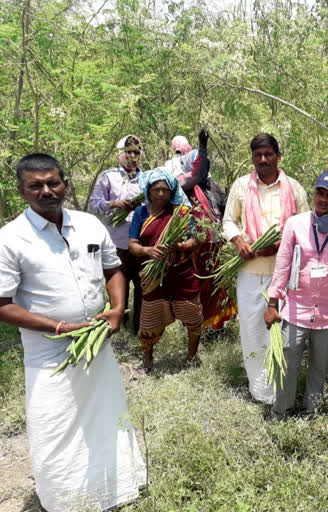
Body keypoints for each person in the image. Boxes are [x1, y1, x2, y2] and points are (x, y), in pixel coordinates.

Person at [0, 153, 146, 511]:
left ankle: (118, 489)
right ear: (22, 191)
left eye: (53, 182)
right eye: (36, 186)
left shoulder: (89, 225)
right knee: (55, 424)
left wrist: (116, 309)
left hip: (97, 345)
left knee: (107, 413)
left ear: (65, 184)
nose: (46, 191)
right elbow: (1, 303)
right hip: (48, 352)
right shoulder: (10, 239)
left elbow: (113, 269)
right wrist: (59, 327)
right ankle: (66, 501)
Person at [264, 171, 328, 417]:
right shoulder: (295, 225)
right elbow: (282, 265)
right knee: (287, 366)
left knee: (319, 368)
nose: (323, 199)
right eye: (319, 193)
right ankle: (281, 413)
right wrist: (272, 304)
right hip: (295, 310)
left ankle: (311, 414)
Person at [222, 133, 309, 403]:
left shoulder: (293, 188)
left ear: (278, 156)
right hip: (250, 271)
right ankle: (260, 392)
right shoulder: (240, 187)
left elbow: (305, 225)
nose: (263, 160)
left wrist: (285, 244)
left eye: (268, 154)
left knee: (284, 334)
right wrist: (238, 240)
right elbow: (228, 221)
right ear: (252, 158)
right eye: (257, 155)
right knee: (252, 331)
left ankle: (282, 390)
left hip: (285, 275)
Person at [128, 168, 202, 374]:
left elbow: (195, 240)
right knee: (150, 316)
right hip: (152, 275)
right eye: (156, 189)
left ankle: (191, 357)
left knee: (193, 315)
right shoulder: (141, 213)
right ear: (148, 191)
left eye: (165, 190)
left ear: (172, 191)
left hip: (181, 273)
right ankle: (148, 358)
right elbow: (132, 244)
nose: (160, 194)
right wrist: (147, 250)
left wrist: (180, 247)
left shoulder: (182, 213)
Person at [177, 130, 236, 331]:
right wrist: (202, 145)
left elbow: (223, 208)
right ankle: (199, 327)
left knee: (219, 285)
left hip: (216, 244)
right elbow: (198, 173)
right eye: (199, 164)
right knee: (201, 286)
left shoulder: (212, 185)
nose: (204, 168)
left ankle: (217, 327)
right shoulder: (185, 184)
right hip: (197, 246)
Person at [88, 134, 145, 334]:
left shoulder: (145, 178)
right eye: (128, 151)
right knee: (119, 289)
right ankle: (116, 326)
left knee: (142, 288)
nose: (132, 156)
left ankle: (137, 329)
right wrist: (113, 203)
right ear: (120, 153)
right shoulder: (108, 176)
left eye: (136, 152)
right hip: (115, 244)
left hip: (139, 243)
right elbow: (93, 205)